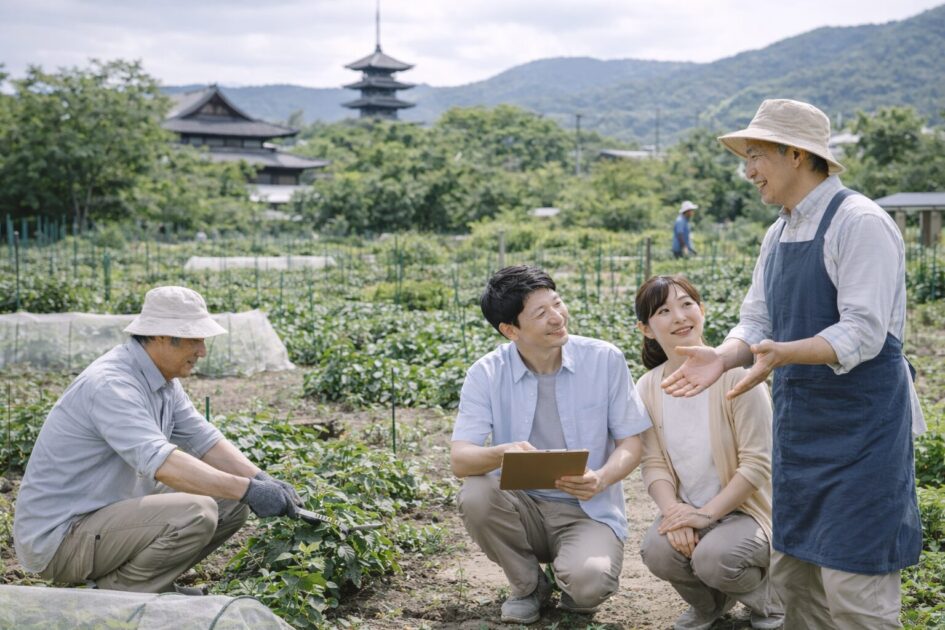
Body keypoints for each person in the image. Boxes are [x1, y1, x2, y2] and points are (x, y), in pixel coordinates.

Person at [661, 99, 923, 629]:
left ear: (796, 155)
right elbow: (756, 320)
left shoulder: (859, 222)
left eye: (756, 156)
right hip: (801, 436)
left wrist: (783, 352)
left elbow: (863, 333)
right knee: (797, 584)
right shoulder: (778, 234)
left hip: (863, 435)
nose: (749, 171)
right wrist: (725, 355)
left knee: (856, 592)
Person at [13, 286, 301, 594]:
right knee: (196, 512)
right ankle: (116, 595)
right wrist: (247, 489)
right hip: (62, 538)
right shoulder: (112, 385)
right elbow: (163, 464)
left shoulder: (162, 379)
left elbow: (204, 439)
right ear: (161, 336)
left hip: (104, 513)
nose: (202, 351)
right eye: (195, 339)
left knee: (230, 502)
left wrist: (260, 479)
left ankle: (152, 585)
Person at [450, 265, 651, 624]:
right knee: (476, 493)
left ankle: (570, 575)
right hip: (521, 506)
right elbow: (460, 460)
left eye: (557, 304)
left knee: (588, 585)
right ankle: (528, 586)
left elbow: (631, 443)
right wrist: (502, 452)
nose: (557, 317)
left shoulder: (604, 360)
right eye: (541, 313)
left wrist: (601, 478)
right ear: (510, 330)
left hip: (587, 508)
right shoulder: (486, 373)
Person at [633, 275, 783, 630]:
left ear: (702, 310)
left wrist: (705, 515)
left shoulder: (738, 379)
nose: (680, 316)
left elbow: (757, 465)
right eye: (664, 311)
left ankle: (772, 600)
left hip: (749, 513)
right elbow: (652, 463)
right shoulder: (648, 387)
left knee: (715, 558)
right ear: (647, 329)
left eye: (687, 304)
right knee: (657, 550)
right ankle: (709, 606)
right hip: (691, 509)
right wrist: (674, 512)